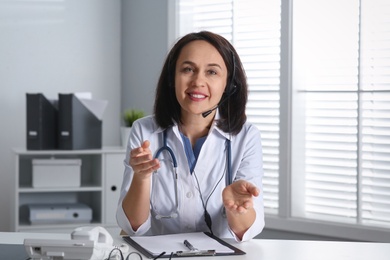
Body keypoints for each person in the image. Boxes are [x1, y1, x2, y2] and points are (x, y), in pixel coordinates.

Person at [116, 31, 264, 242]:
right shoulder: (144, 131)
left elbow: (246, 231)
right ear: (172, 78)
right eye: (187, 69)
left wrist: (237, 209)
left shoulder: (246, 136)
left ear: (229, 85)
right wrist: (141, 178)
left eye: (212, 72)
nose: (198, 81)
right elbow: (133, 227)